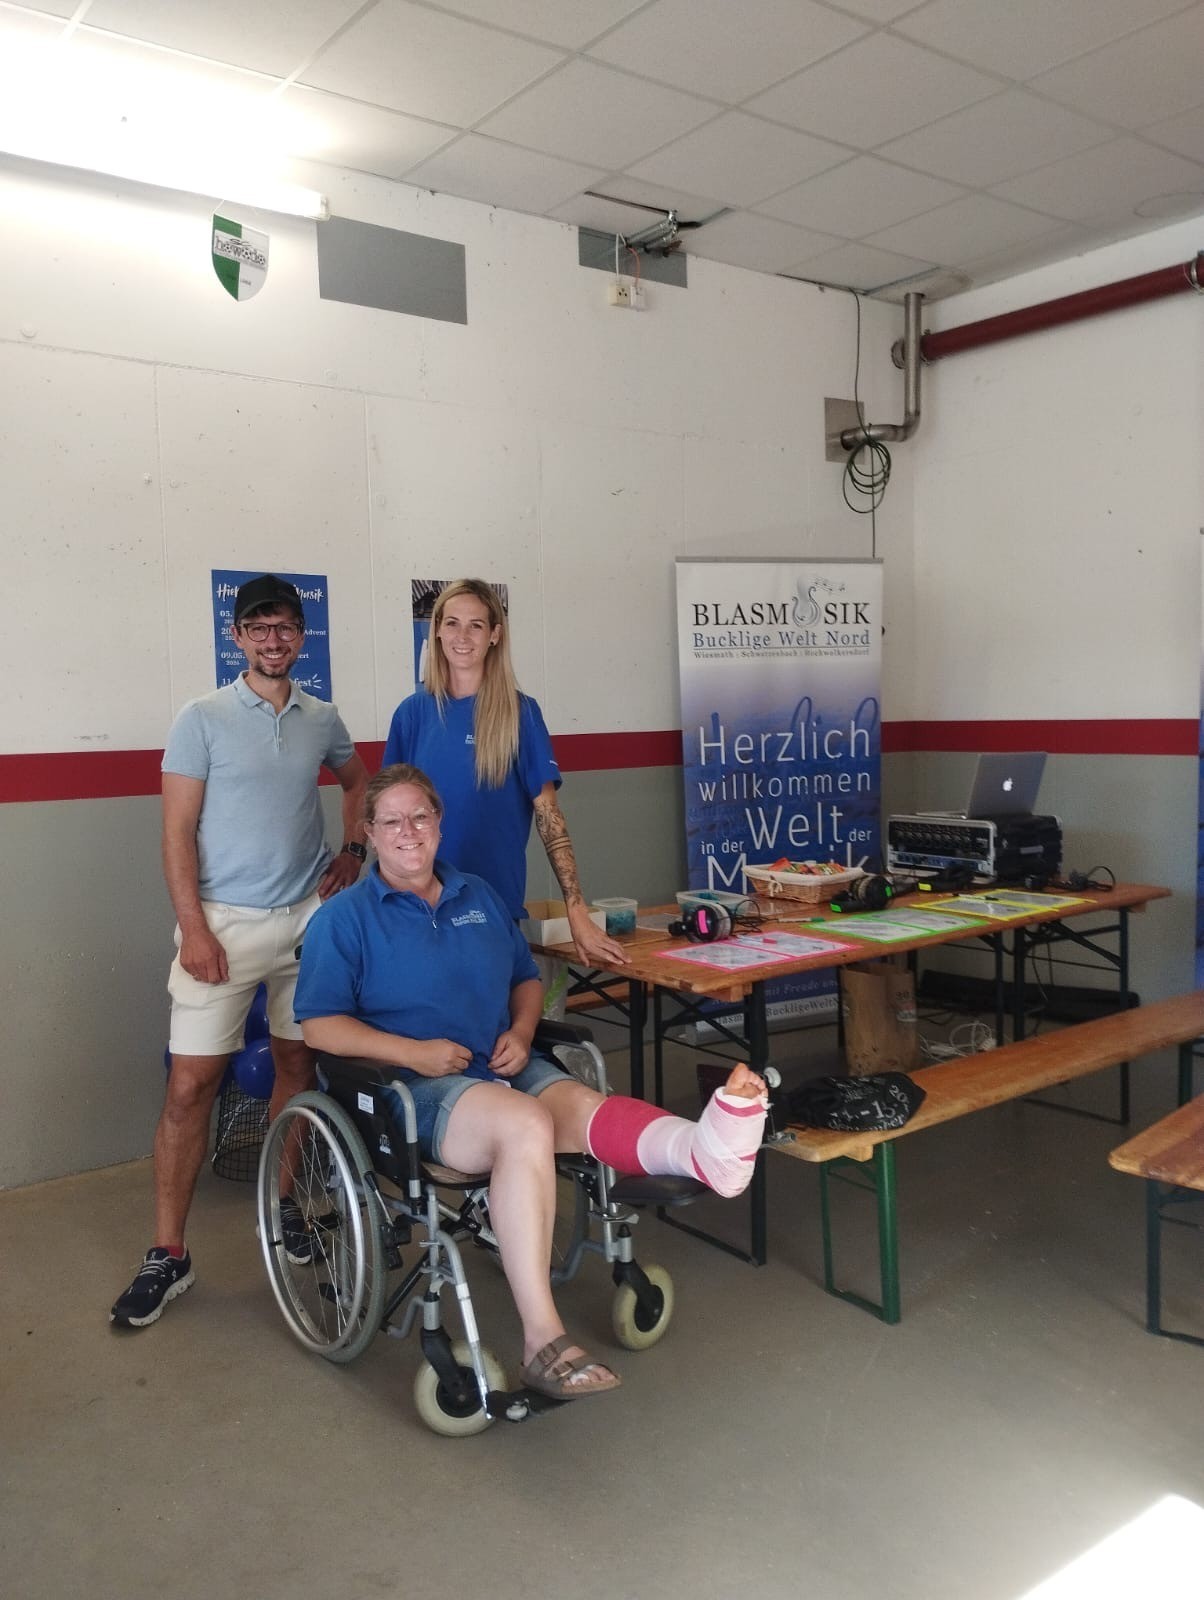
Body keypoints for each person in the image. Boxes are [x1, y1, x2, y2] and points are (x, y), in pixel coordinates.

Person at [294, 764, 769, 1399]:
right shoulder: (344, 919)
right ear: (370, 832)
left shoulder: (477, 895)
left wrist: (522, 1030)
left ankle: (702, 1152)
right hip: (409, 1090)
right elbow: (320, 1027)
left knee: (583, 1105)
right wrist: (414, 1052)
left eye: (421, 817)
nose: (409, 831)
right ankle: (542, 1340)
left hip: (501, 1062)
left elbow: (524, 977)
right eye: (392, 821)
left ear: (439, 823)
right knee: (525, 1125)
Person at [110, 575, 369, 1329]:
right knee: (190, 1088)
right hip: (222, 925)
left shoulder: (322, 718)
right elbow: (176, 832)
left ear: (301, 636)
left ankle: (282, 1206)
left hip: (308, 922)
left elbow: (358, 781)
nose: (273, 640)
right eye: (259, 628)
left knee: (297, 1065)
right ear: (238, 638)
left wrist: (352, 850)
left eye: (285, 627)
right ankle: (169, 1253)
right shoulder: (202, 718)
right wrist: (193, 927)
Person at [382, 578, 626, 969]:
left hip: (490, 908)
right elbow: (386, 822)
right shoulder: (412, 714)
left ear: (494, 635)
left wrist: (576, 908)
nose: (463, 636)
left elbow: (549, 816)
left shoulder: (520, 714)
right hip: (413, 909)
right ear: (438, 631)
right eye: (452, 623)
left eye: (476, 625)